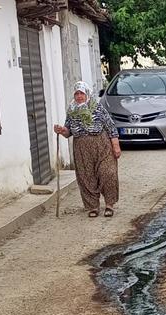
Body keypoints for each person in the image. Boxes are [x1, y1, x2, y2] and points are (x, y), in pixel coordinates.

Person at [54, 81, 121, 218]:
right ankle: (93, 207)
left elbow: (110, 126)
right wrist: (62, 130)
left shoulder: (96, 107)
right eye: (76, 94)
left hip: (101, 145)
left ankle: (109, 204)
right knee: (86, 177)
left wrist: (116, 145)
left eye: (81, 93)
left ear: (87, 94)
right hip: (81, 148)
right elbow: (68, 132)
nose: (79, 96)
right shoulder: (72, 110)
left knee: (108, 173)